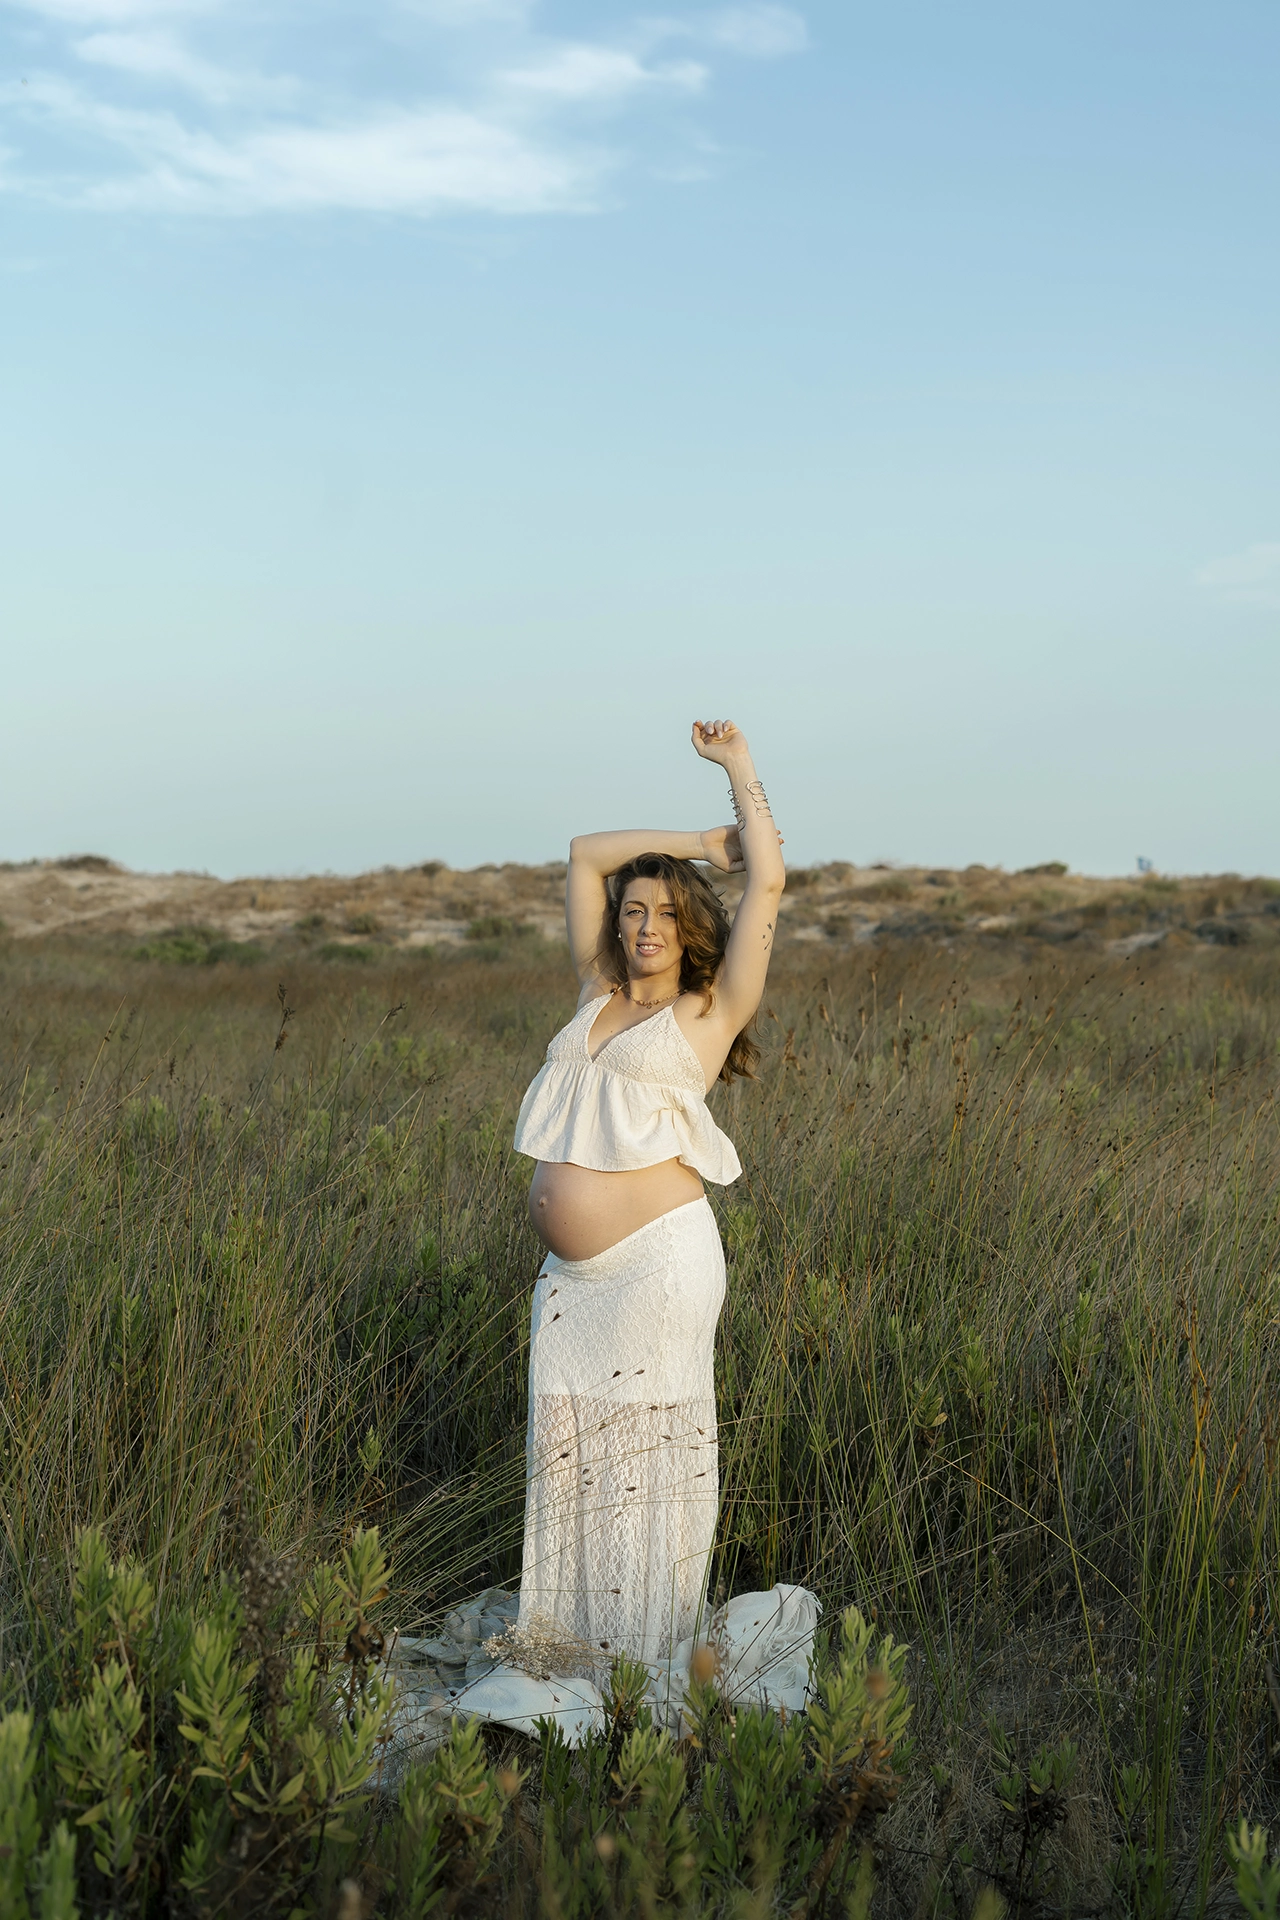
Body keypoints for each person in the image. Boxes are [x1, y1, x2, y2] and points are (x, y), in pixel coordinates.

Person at [508, 718, 786, 1673]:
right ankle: (572, 1646)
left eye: (666, 912)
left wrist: (736, 775)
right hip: (571, 1284)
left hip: (658, 1267)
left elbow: (772, 885)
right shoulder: (594, 989)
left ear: (691, 928)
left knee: (647, 1462)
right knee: (571, 1450)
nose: (645, 926)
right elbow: (587, 855)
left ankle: (641, 1658)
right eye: (634, 911)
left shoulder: (709, 1012)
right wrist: (697, 850)